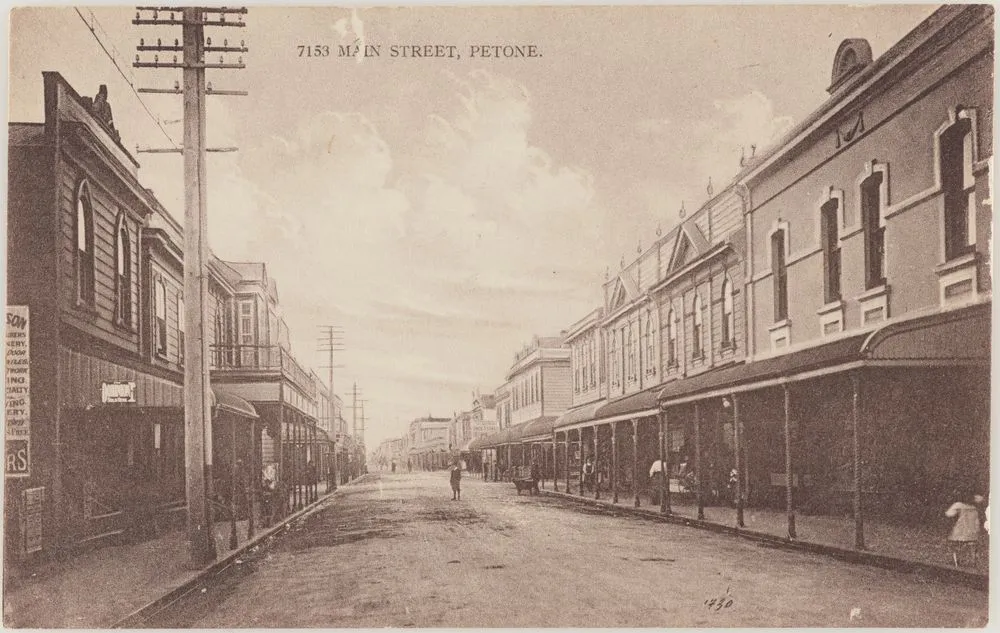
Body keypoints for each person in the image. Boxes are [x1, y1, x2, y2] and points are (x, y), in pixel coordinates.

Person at [946, 492, 983, 567]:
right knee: (972, 545)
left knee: (955, 545)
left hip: (961, 529)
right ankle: (973, 562)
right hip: (973, 530)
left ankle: (957, 562)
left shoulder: (958, 505)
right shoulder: (974, 507)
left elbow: (949, 514)